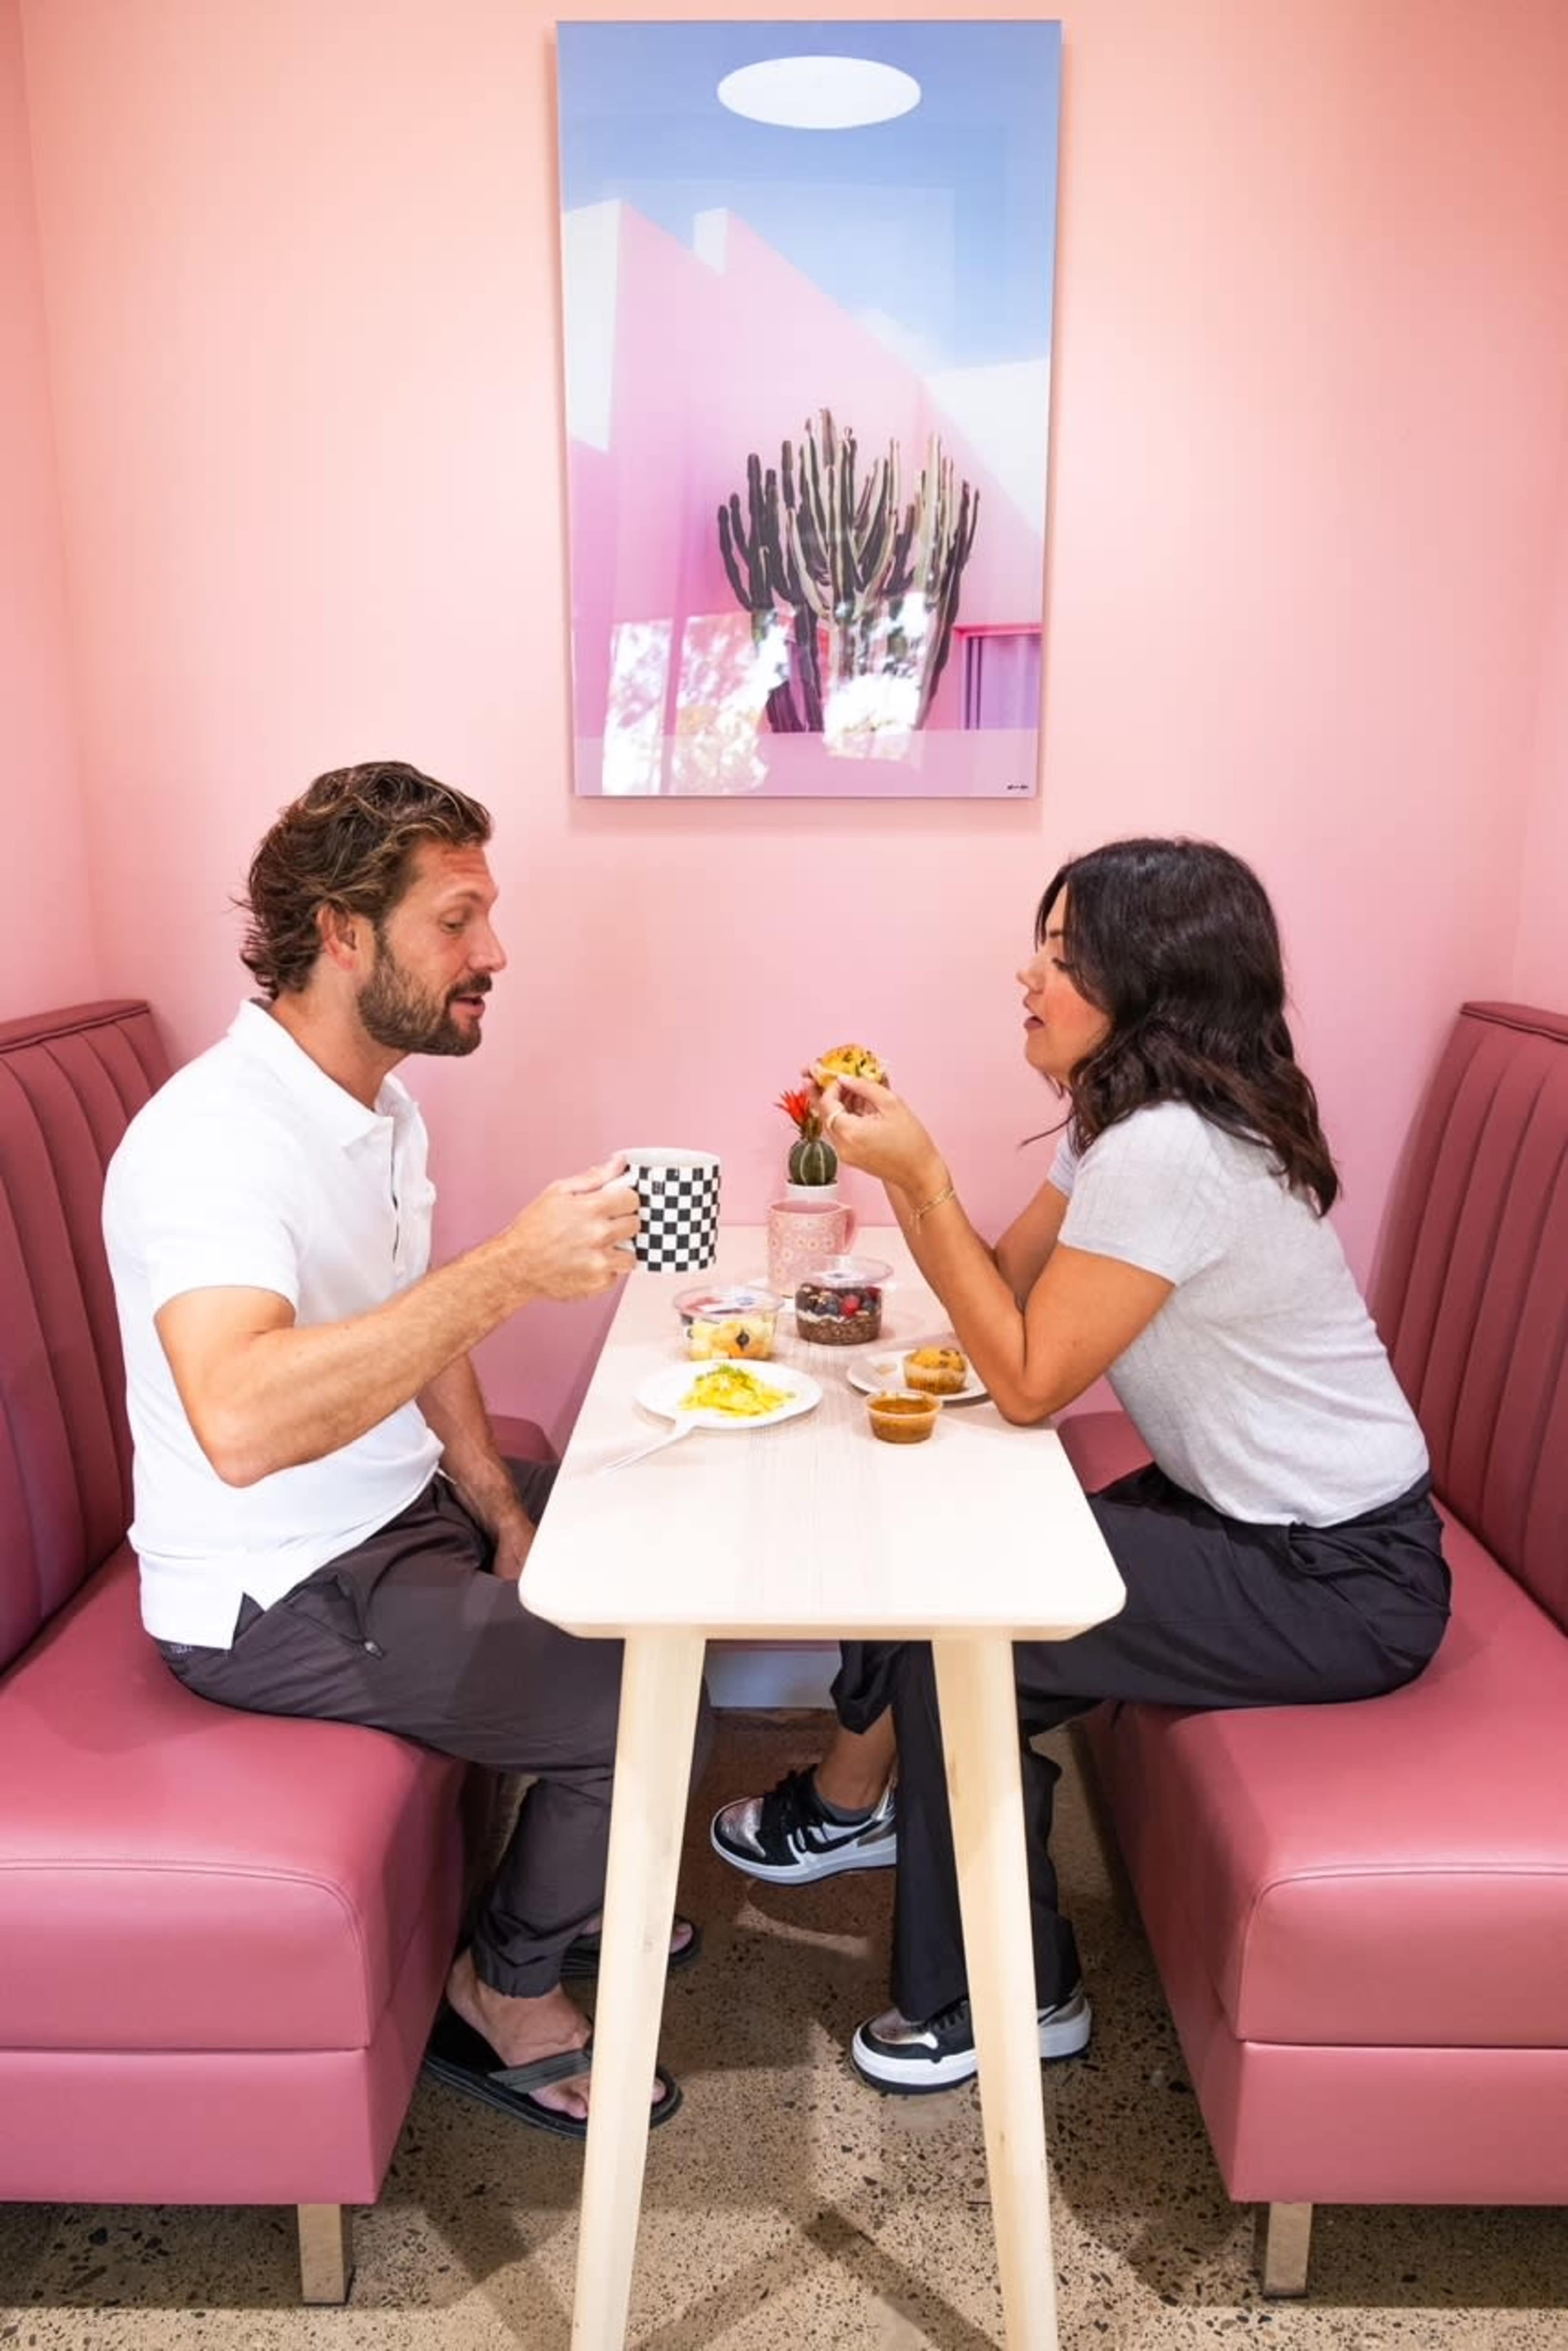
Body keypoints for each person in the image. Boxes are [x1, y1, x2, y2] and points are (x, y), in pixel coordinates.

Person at [712, 836, 1450, 2094]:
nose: (1028, 975)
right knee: (953, 1548)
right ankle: (855, 1805)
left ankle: (1001, 1998)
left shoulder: (1171, 1148)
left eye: (1061, 956)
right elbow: (1003, 1296)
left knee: (969, 1630)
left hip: (1338, 1575)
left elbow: (1030, 1377)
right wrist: (922, 1191)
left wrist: (923, 1178)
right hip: (1249, 1515)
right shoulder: (1124, 1121)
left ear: (1148, 980)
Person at [103, 760, 707, 2138]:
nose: (493, 951)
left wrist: (497, 1499)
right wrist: (510, 1269)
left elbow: (413, 1330)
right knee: (635, 1698)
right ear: (343, 930)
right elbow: (243, 1420)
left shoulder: (383, 1108)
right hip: (276, 1588)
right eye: (458, 918)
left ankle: (577, 1871)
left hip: (395, 1519)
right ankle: (505, 1991)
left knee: (671, 1542)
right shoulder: (209, 1141)